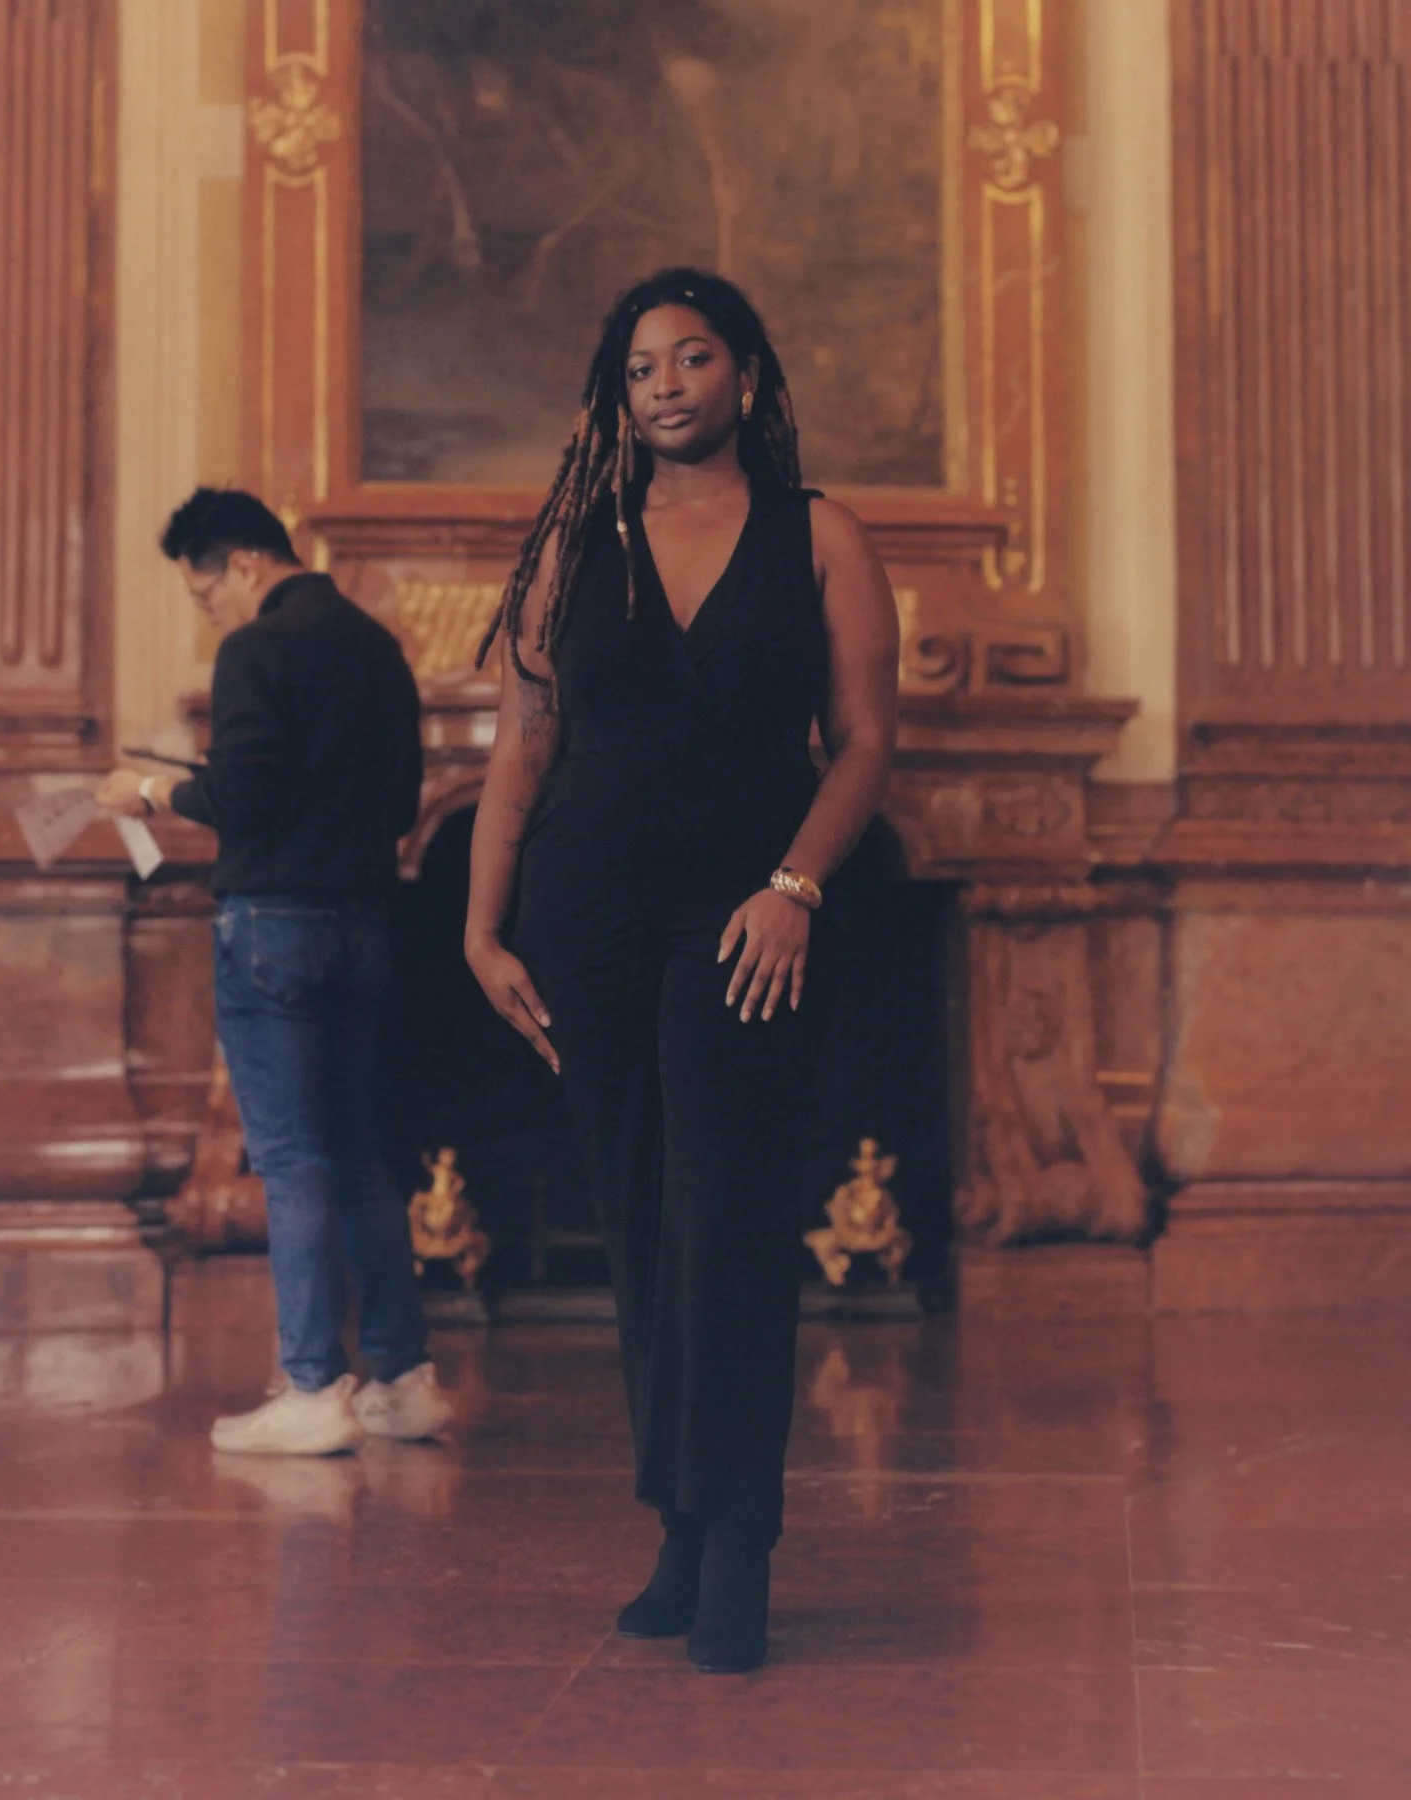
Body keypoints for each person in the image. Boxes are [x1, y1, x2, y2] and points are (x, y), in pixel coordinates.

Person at [465, 269, 899, 1671]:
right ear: (617, 394)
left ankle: (741, 1548)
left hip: (743, 919)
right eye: (641, 364)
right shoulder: (571, 548)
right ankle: (676, 1523)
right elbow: (519, 753)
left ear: (748, 378)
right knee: (646, 1223)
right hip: (586, 914)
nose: (665, 382)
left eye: (693, 356)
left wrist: (794, 888)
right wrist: (481, 930)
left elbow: (866, 744)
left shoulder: (818, 533)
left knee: (729, 1217)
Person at [98, 489, 455, 1456]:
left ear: (246, 564)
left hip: (273, 930)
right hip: (365, 926)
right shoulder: (381, 648)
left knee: (291, 1159)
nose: (207, 611)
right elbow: (398, 806)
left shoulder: (256, 648)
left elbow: (242, 794)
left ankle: (310, 1388)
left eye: (203, 591)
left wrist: (151, 787)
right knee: (355, 1150)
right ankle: (404, 1379)